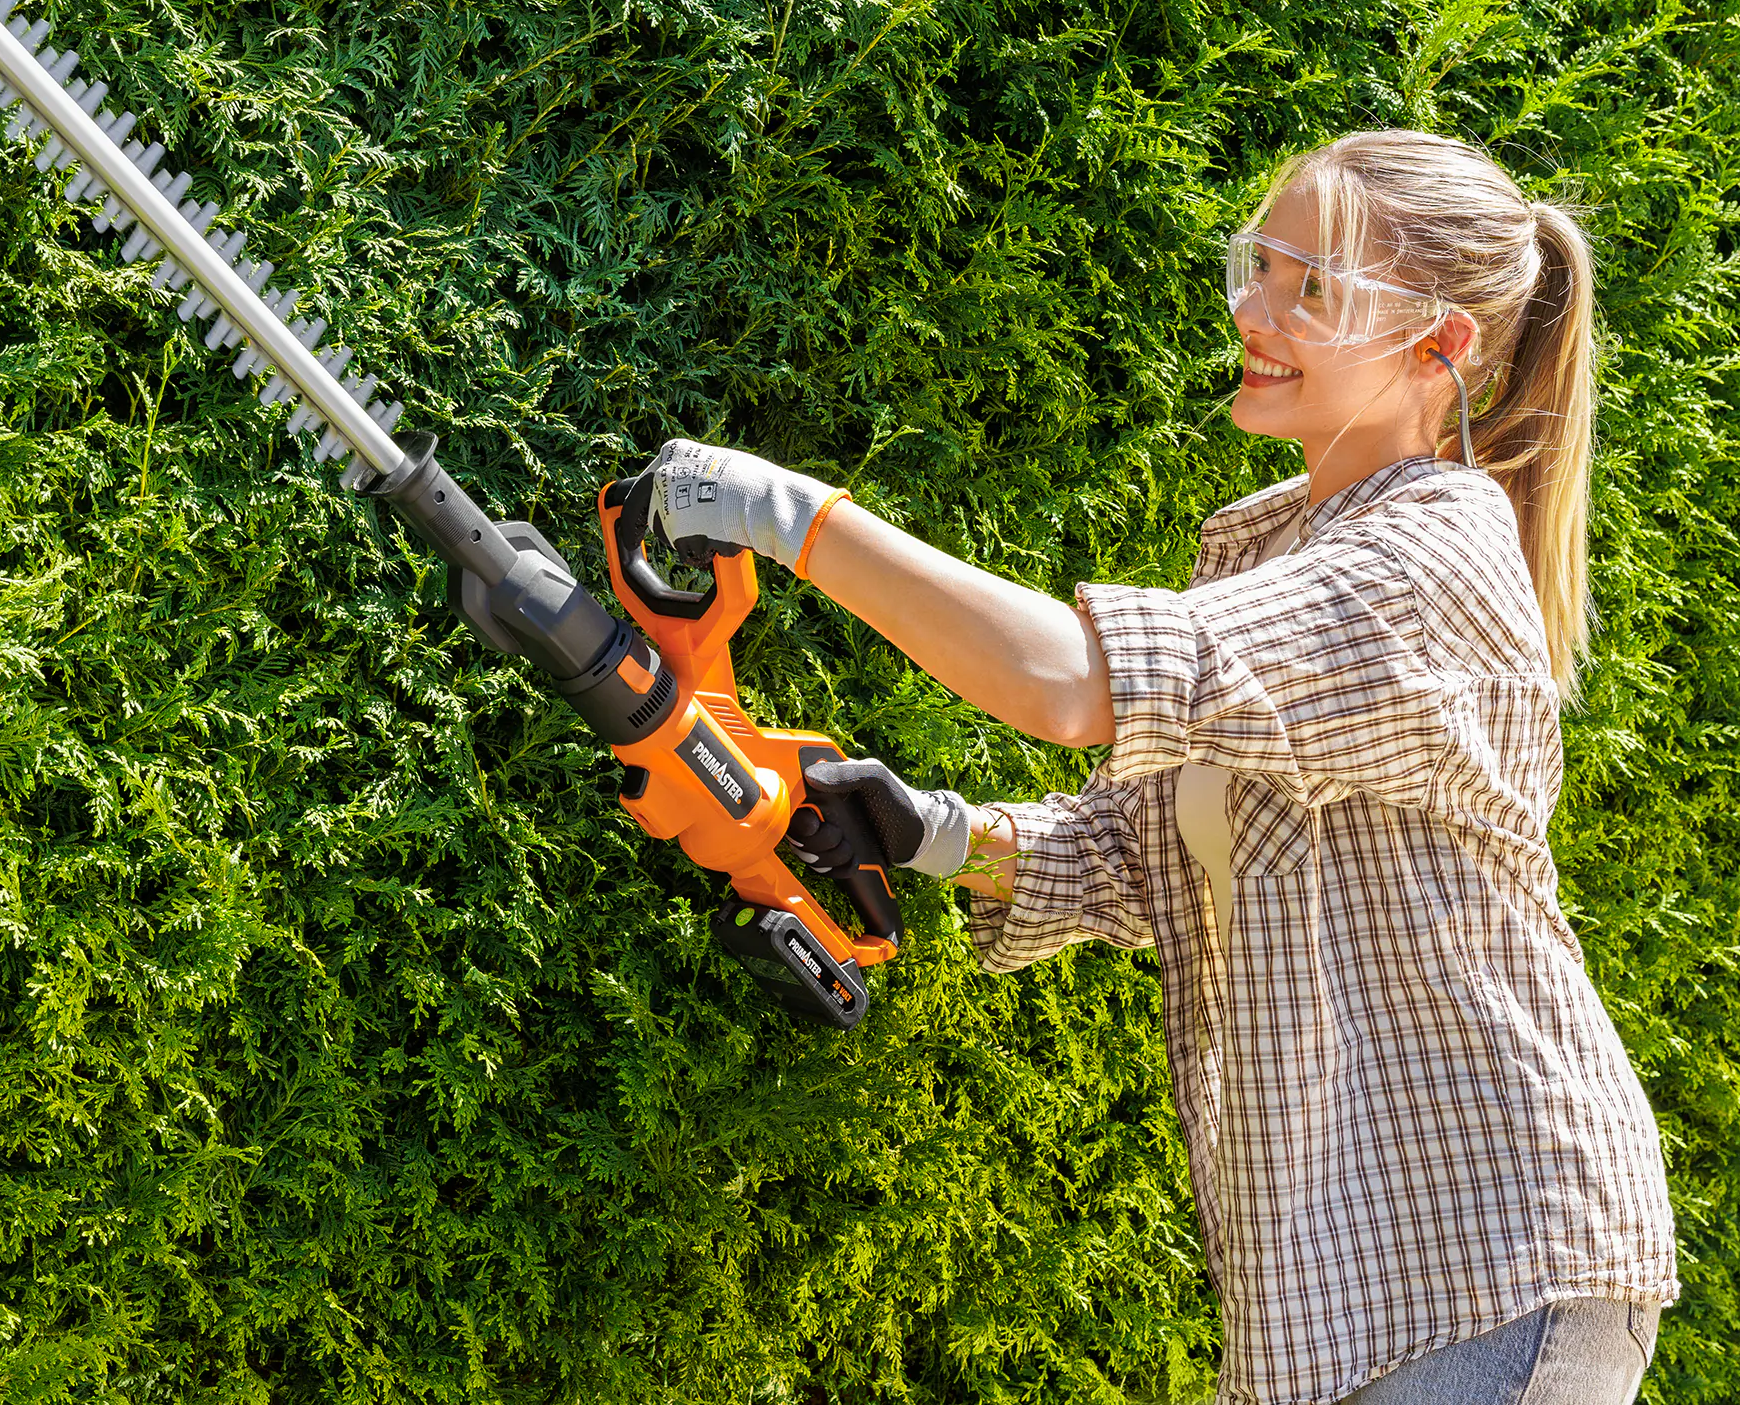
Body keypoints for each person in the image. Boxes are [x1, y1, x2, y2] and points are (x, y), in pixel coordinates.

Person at [648, 130, 1677, 1405]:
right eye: (1258, 265)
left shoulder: (1428, 563)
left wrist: (787, 512)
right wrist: (932, 831)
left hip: (1488, 1245)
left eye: (1313, 285)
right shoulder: (1269, 547)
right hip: (1357, 1276)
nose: (1255, 309)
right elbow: (1144, 855)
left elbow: (1069, 682)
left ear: (1441, 345)